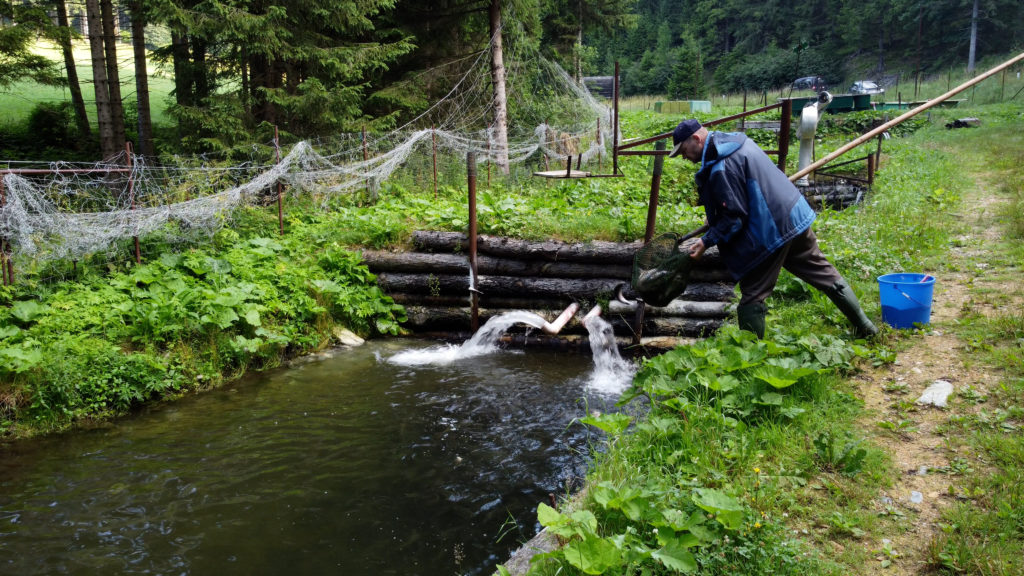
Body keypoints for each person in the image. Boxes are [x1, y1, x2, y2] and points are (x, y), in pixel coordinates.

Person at [667, 118, 877, 338]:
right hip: (795, 216)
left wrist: (706, 241)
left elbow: (736, 217)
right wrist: (718, 214)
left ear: (696, 139)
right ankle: (866, 328)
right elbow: (745, 190)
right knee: (823, 272)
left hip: (772, 228)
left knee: (752, 293)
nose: (683, 156)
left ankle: (749, 357)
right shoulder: (737, 142)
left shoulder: (722, 166)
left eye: (683, 150)